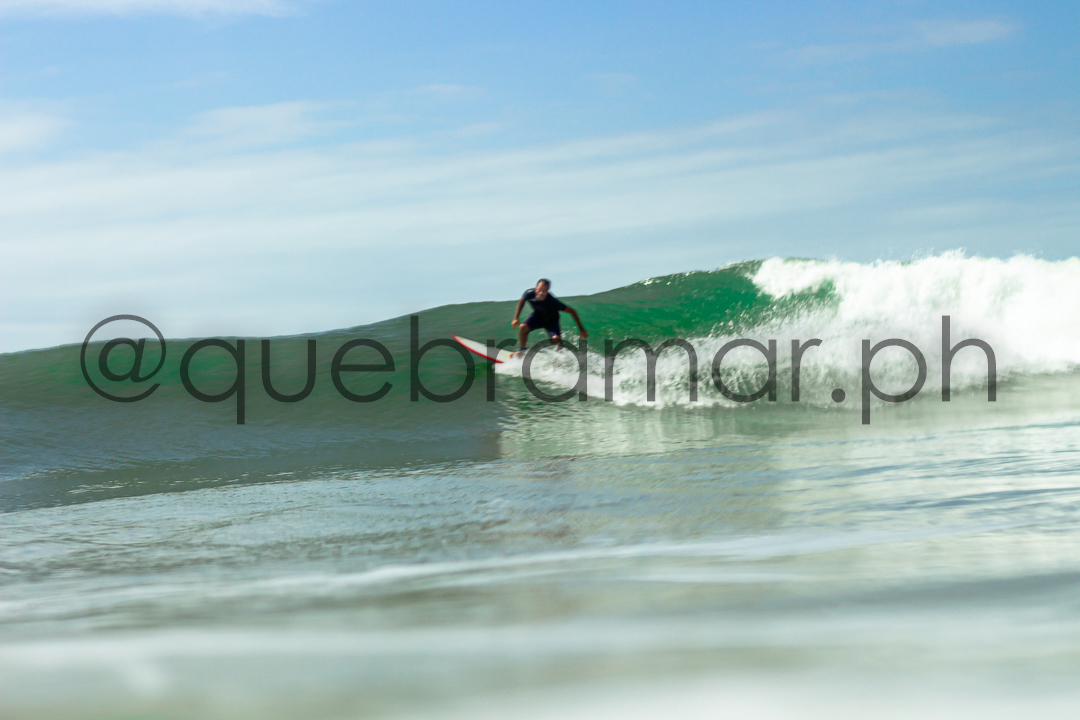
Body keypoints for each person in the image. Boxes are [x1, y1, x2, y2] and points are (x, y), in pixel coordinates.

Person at [510, 278, 588, 357]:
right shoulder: (529, 294)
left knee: (556, 339)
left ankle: (562, 357)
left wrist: (581, 329)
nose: (541, 293)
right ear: (536, 288)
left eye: (544, 291)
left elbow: (572, 311)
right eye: (539, 290)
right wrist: (516, 318)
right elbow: (522, 301)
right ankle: (522, 351)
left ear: (547, 291)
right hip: (538, 316)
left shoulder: (552, 301)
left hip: (551, 321)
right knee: (523, 327)